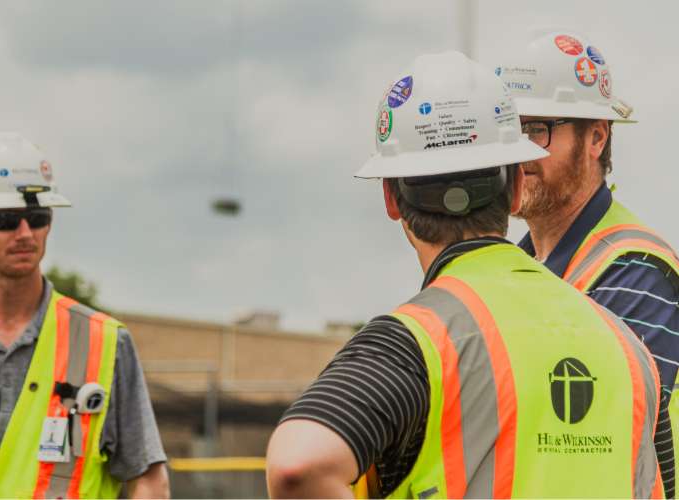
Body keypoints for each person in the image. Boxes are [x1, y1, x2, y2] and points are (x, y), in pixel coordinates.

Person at [265, 52, 666, 498]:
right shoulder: (629, 349)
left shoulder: (415, 341)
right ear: (516, 189)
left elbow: (296, 466)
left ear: (391, 199)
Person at [0, 132, 169, 499]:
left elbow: (147, 477)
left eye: (37, 218)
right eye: (4, 220)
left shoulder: (104, 341)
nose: (25, 234)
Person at [495, 29, 679, 495]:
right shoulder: (516, 265)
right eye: (510, 131)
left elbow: (589, 438)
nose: (519, 151)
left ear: (596, 137)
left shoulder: (635, 269)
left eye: (536, 129)